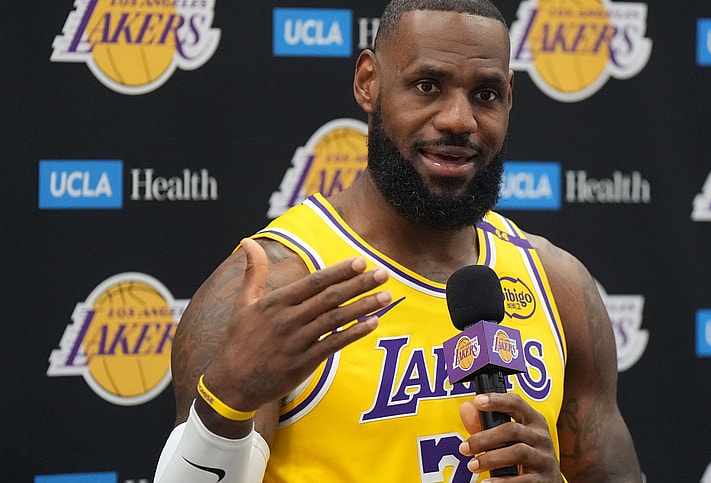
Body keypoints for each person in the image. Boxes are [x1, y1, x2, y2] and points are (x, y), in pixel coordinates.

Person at [154, 0, 642, 481]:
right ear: (369, 83)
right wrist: (226, 401)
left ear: (510, 96)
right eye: (427, 86)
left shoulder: (558, 285)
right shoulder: (273, 287)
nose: (459, 119)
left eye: (485, 94)